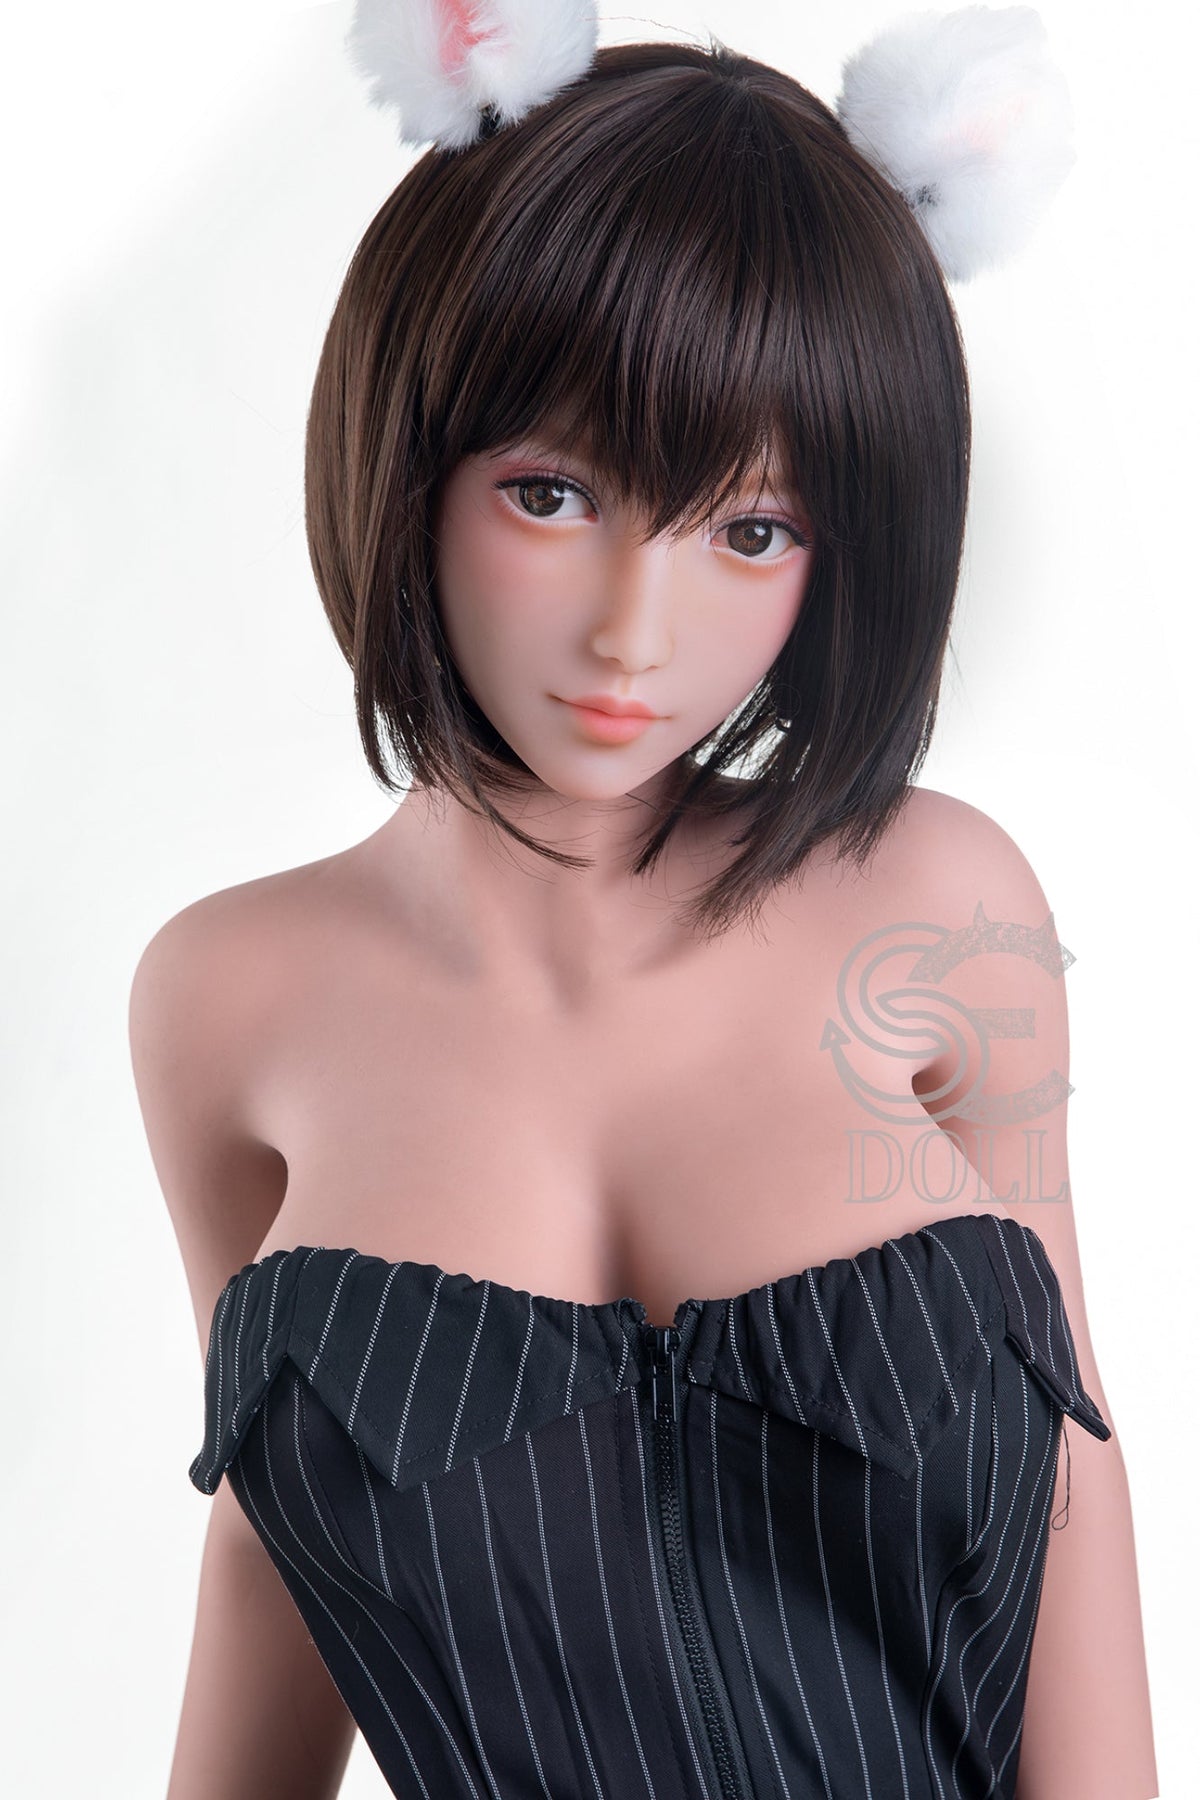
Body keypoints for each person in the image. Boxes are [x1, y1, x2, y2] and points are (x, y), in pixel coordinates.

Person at [129, 8, 1157, 1797]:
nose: (633, 633)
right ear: (409, 457)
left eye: (750, 530)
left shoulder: (940, 908)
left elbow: (1074, 1475)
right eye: (551, 494)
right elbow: (275, 1533)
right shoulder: (230, 998)